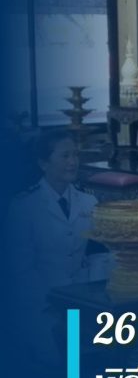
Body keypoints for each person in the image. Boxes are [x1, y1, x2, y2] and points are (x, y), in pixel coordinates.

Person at [8, 131, 106, 363]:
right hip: (40, 303)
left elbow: (101, 252)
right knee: (59, 349)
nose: (73, 162)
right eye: (65, 156)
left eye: (75, 155)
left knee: (111, 342)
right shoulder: (24, 206)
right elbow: (21, 271)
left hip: (83, 298)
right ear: (44, 163)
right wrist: (53, 304)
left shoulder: (88, 202)